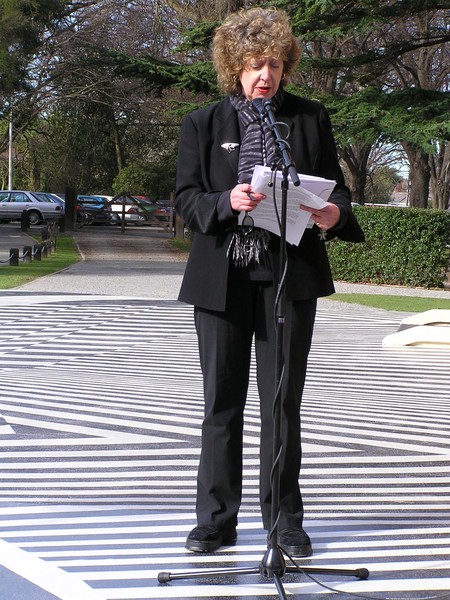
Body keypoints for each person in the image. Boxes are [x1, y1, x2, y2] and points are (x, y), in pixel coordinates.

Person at [175, 7, 364, 557]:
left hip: (288, 276)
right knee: (221, 403)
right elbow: (187, 199)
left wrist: (334, 214)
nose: (267, 75)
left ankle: (284, 519)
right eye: (257, 64)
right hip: (221, 280)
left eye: (276, 65)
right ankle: (216, 519)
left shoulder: (309, 119)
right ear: (235, 67)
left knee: (282, 403)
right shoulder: (202, 123)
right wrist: (224, 201)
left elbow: (338, 192)